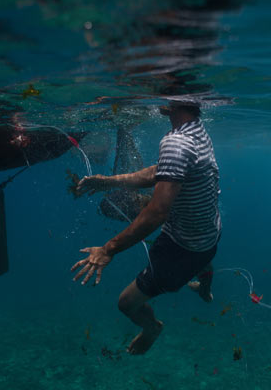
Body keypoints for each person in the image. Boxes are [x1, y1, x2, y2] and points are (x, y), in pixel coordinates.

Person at [71, 100, 221, 355]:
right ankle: (204, 291)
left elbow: (157, 212)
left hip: (181, 249)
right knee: (203, 260)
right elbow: (160, 171)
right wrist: (109, 182)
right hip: (209, 234)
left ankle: (152, 328)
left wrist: (109, 249)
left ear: (173, 102)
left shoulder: (177, 142)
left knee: (126, 303)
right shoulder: (196, 130)